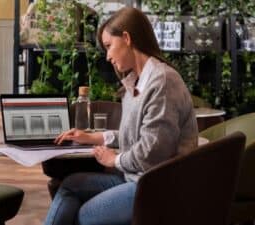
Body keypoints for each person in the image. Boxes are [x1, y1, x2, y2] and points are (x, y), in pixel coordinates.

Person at [44, 6, 198, 225]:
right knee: (69, 186)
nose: (107, 56)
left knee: (83, 216)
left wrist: (114, 159)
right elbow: (135, 135)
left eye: (109, 46)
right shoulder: (135, 82)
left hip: (156, 187)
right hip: (134, 178)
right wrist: (91, 137)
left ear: (126, 38)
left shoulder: (162, 82)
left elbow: (152, 153)